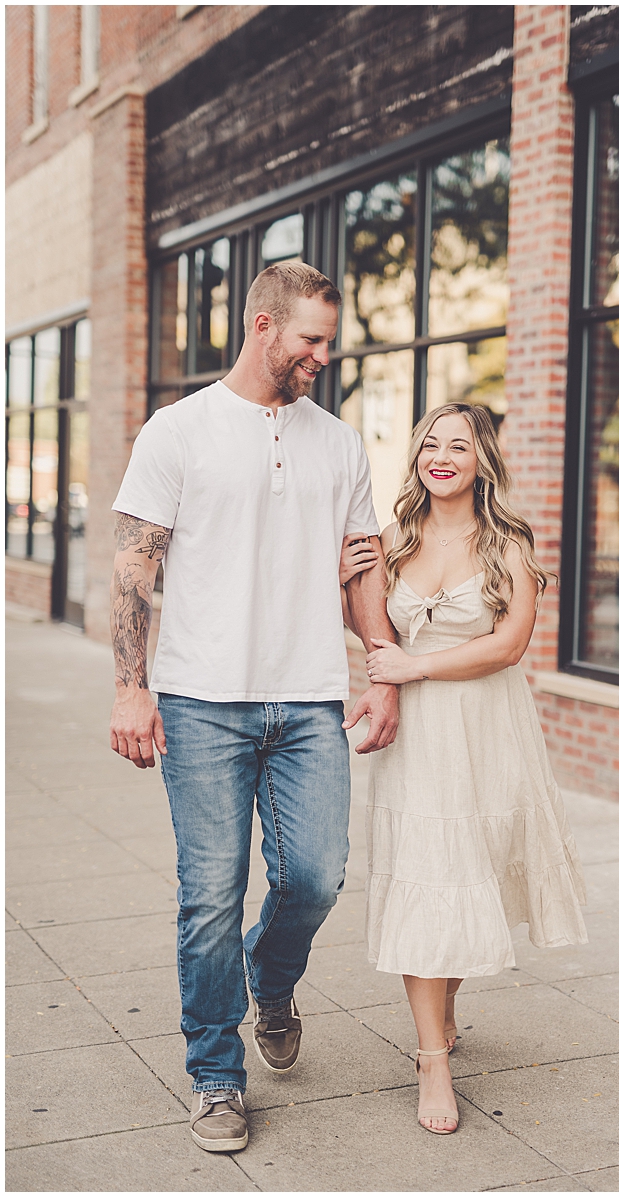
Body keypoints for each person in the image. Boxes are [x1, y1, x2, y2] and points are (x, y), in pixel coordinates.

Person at [108, 263, 399, 1154]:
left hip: (309, 694)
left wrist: (381, 669)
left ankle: (271, 979)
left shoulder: (340, 444)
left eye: (328, 341)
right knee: (210, 895)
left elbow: (363, 569)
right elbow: (134, 570)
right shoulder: (179, 431)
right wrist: (131, 683)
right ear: (264, 325)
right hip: (201, 700)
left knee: (316, 876)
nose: (322, 355)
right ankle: (215, 1075)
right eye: (310, 339)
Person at [339, 402, 586, 1135]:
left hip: (485, 728)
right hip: (416, 740)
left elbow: (510, 645)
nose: (441, 456)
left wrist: (416, 665)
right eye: (431, 444)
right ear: (417, 455)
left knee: (464, 873)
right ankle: (432, 1059)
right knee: (428, 874)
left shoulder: (507, 540)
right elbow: (374, 636)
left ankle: (442, 1011)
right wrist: (346, 588)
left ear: (482, 462)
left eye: (459, 446)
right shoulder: (393, 537)